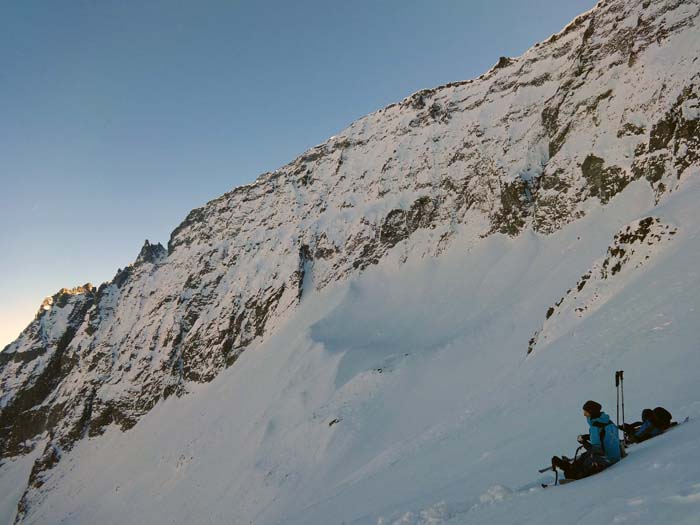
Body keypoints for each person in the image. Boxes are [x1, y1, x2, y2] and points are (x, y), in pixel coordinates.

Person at [551, 400, 622, 480]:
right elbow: (605, 436)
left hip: (607, 459)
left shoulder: (594, 427)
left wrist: (583, 442)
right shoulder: (608, 422)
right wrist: (587, 437)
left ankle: (570, 470)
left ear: (592, 412)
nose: (584, 414)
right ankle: (569, 466)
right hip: (616, 455)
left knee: (579, 467)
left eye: (586, 412)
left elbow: (596, 450)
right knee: (585, 456)